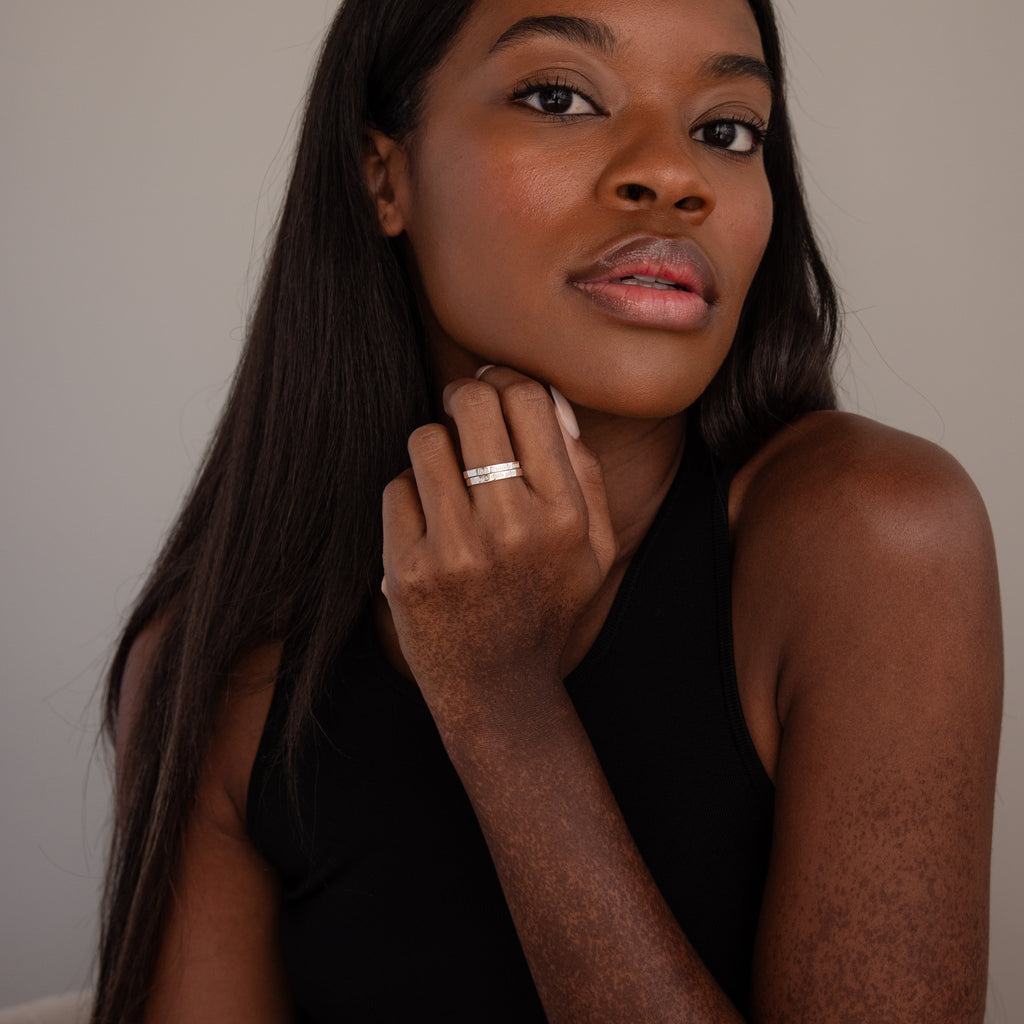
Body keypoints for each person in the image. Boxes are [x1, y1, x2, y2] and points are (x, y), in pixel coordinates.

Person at [91, 0, 1003, 1021]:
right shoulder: (222, 666)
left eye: (726, 128)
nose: (674, 173)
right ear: (382, 173)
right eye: (559, 96)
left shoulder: (872, 539)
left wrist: (503, 705)